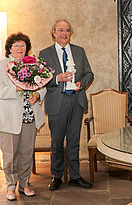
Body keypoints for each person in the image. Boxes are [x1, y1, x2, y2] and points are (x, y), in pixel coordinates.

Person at [39, 19, 94, 190]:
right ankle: (57, 176)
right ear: (53, 32)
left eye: (67, 30)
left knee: (74, 141)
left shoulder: (79, 51)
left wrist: (81, 84)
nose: (64, 33)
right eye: (61, 30)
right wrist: (57, 78)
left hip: (76, 101)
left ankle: (75, 176)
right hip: (57, 101)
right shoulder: (44, 54)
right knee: (56, 142)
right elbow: (40, 79)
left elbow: (89, 74)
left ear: (71, 33)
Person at [0, 32, 46, 200]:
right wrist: (17, 88)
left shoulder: (33, 64)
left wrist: (37, 95)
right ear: (9, 48)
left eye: (22, 45)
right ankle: (10, 186)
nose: (19, 48)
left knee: (26, 153)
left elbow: (42, 85)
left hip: (29, 116)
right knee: (10, 155)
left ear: (27, 48)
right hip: (9, 118)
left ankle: (24, 184)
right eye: (16, 45)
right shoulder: (3, 65)